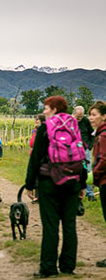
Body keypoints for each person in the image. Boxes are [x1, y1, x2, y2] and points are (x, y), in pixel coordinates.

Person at [25, 96, 87, 277]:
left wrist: (30, 184)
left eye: (46, 108)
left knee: (50, 226)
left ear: (53, 109)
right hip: (72, 182)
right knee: (69, 225)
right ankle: (68, 266)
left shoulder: (45, 128)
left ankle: (48, 268)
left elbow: (35, 158)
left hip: (49, 182)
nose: (44, 111)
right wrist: (82, 183)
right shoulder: (74, 126)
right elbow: (80, 155)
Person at [88, 100, 106, 268]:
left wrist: (94, 175)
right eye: (90, 114)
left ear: (104, 116)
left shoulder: (104, 134)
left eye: (94, 115)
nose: (90, 118)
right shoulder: (100, 133)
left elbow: (104, 159)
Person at [73, 106, 96, 201]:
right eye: (78, 116)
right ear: (73, 113)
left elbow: (92, 134)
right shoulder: (69, 122)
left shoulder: (85, 121)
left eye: (81, 116)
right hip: (73, 151)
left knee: (88, 172)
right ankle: (75, 193)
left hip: (85, 150)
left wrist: (90, 146)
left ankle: (90, 194)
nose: (79, 118)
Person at [29, 114, 46, 203]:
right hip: (34, 154)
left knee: (38, 177)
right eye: (35, 119)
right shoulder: (35, 130)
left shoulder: (42, 131)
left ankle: (39, 196)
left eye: (37, 120)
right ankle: (37, 196)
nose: (35, 121)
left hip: (39, 156)